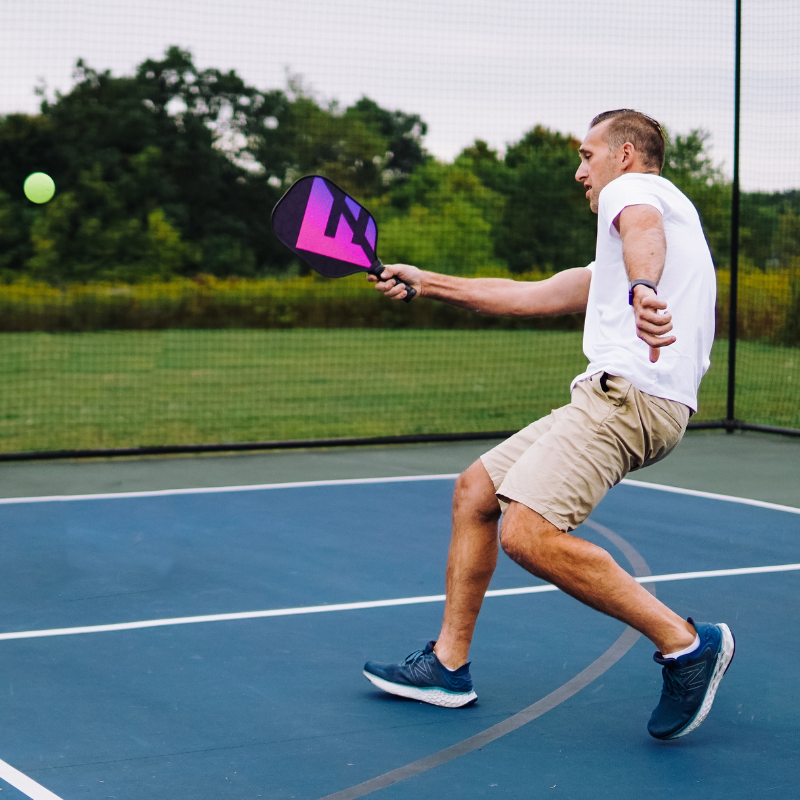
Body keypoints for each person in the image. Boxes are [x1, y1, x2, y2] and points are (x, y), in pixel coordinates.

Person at [361, 109, 734, 740]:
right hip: (610, 397)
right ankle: (449, 666)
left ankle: (685, 644)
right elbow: (528, 293)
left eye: (587, 156)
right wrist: (426, 282)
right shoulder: (626, 246)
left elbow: (641, 227)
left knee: (527, 533)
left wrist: (644, 286)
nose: (579, 171)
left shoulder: (637, 196)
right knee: (476, 492)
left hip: (629, 399)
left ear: (624, 154)